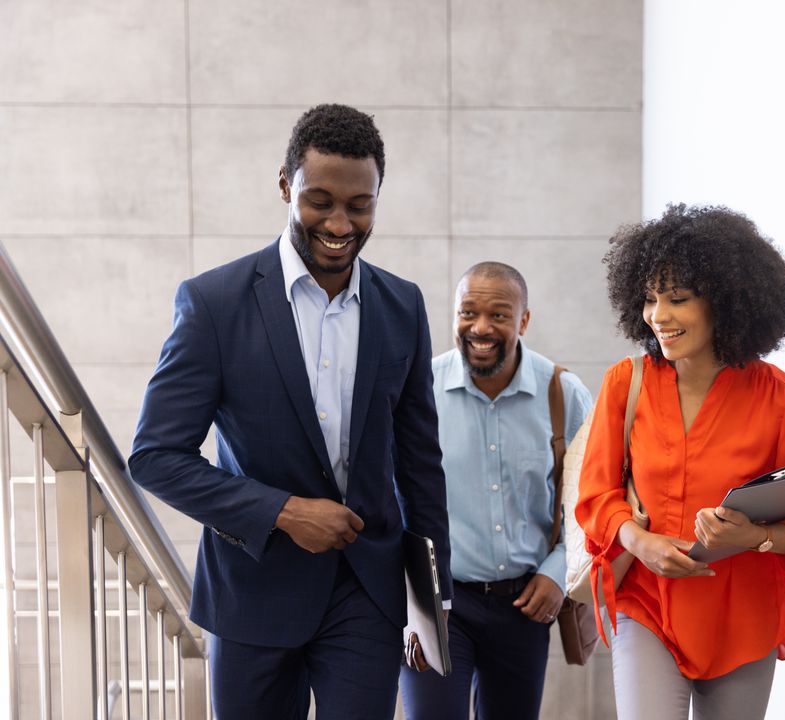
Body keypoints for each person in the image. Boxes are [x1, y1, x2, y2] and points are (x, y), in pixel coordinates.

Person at [128, 104, 452, 720]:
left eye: (360, 205)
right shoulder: (214, 303)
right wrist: (281, 511)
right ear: (285, 186)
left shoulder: (402, 305)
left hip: (367, 593)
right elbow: (155, 457)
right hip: (252, 591)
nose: (339, 222)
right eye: (319, 200)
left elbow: (421, 464)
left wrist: (431, 604)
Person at [575, 204, 785, 720]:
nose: (658, 317)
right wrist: (639, 541)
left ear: (725, 302)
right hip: (647, 605)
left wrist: (755, 537)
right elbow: (596, 498)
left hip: (743, 618)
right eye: (650, 300)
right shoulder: (625, 384)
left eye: (678, 300)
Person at [399, 262, 592, 720]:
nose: (480, 328)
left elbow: (592, 501)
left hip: (525, 605)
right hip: (440, 605)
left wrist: (558, 570)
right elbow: (392, 497)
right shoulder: (418, 390)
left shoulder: (563, 394)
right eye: (468, 313)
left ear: (524, 320)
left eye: (499, 315)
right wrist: (412, 603)